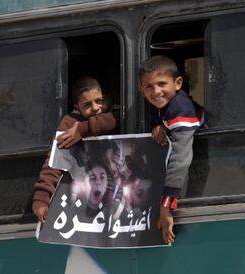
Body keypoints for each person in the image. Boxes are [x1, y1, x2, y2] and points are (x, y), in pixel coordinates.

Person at [32, 76, 117, 223]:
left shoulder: (115, 115)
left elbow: (113, 120)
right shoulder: (70, 123)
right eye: (87, 105)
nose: (96, 108)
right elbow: (54, 163)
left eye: (99, 101)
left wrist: (83, 130)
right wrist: (42, 198)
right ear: (77, 107)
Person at [138, 55, 204, 244]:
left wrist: (166, 206)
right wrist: (161, 125)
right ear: (141, 89)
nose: (156, 92)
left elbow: (180, 159)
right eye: (149, 87)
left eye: (161, 84)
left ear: (178, 83)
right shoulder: (166, 105)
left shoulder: (181, 107)